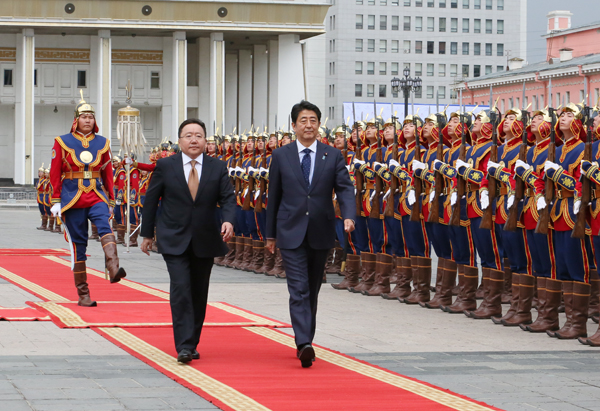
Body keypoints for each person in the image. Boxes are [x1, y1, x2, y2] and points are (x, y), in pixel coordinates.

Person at [266, 101, 355, 368]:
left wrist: (349, 215)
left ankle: (306, 338)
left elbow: (345, 188)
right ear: (294, 125)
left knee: (312, 289)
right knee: (298, 289)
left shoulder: (332, 155)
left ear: (319, 125)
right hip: (290, 231)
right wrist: (270, 235)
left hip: (320, 231)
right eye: (303, 120)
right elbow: (274, 198)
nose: (308, 125)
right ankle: (303, 342)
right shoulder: (281, 156)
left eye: (313, 120)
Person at [140, 118, 236, 363]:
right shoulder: (165, 166)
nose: (194, 139)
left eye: (199, 135)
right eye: (188, 135)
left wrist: (228, 220)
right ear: (180, 140)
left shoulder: (217, 167)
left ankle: (192, 341)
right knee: (181, 288)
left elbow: (227, 198)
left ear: (205, 141)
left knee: (198, 292)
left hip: (205, 238)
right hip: (174, 238)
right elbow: (151, 200)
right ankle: (183, 345)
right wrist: (147, 234)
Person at [49, 95, 126, 307]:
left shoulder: (103, 143)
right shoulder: (62, 141)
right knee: (79, 244)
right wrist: (55, 200)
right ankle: (83, 294)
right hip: (72, 197)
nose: (88, 120)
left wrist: (111, 198)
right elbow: (55, 172)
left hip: (96, 194)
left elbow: (108, 173)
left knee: (103, 224)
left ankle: (113, 267)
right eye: (84, 117)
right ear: (76, 120)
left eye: (91, 117)